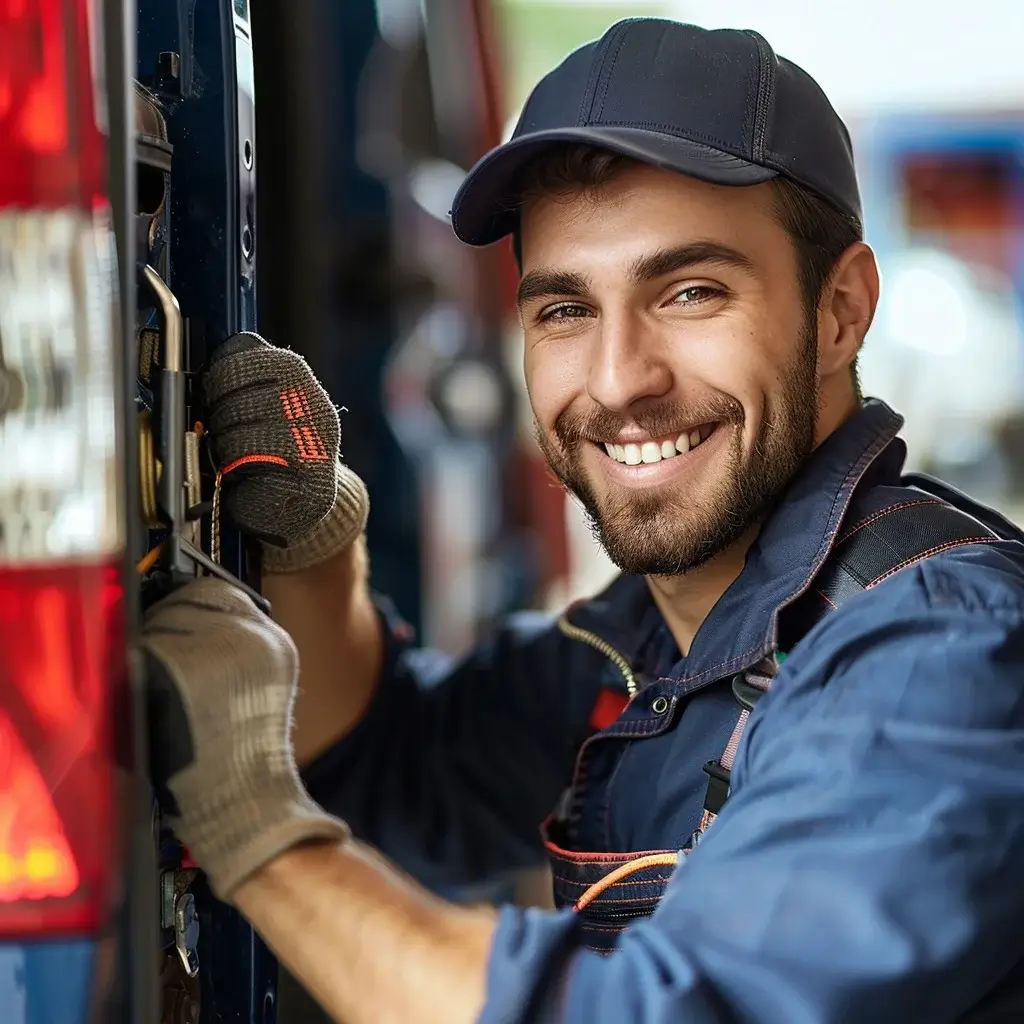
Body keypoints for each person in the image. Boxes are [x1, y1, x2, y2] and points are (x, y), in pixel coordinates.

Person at [141, 18, 1024, 1024]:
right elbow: (387, 762)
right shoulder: (649, 642)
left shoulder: (933, 651)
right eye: (565, 309)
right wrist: (314, 542)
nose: (618, 381)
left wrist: (254, 826)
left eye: (690, 292)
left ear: (839, 310)